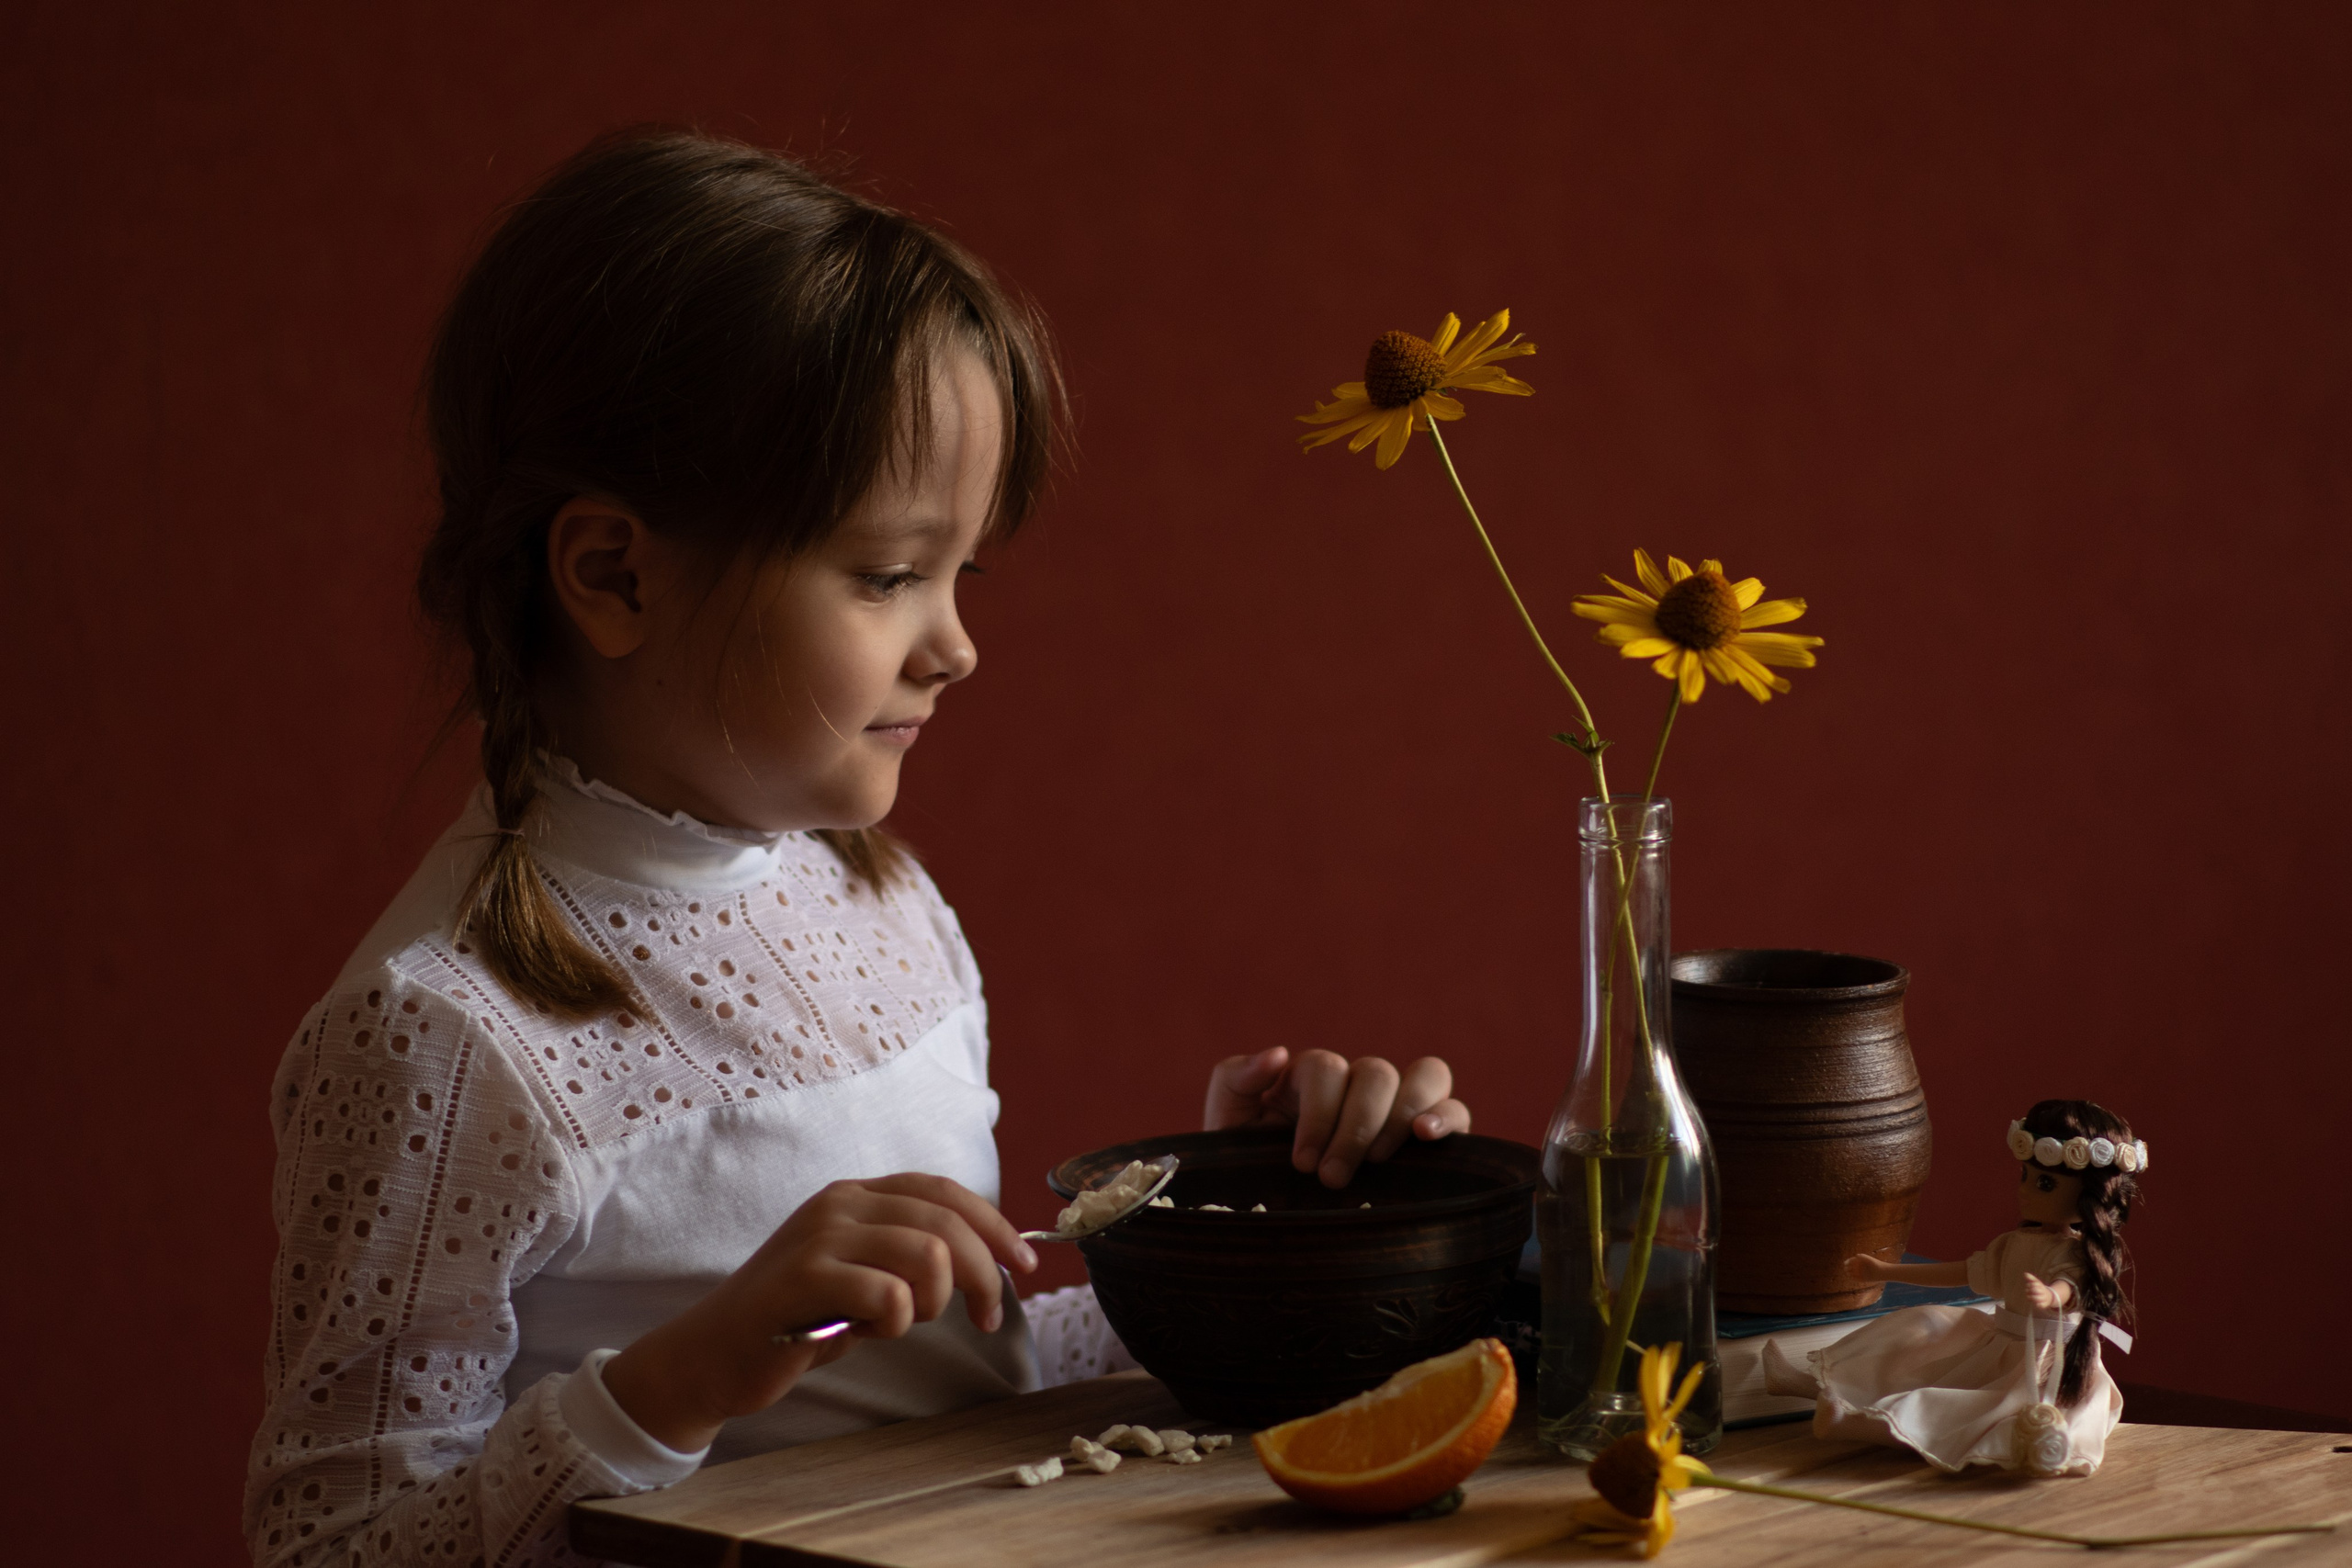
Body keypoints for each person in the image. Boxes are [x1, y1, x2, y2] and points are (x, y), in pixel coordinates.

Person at [244, 129, 1474, 1568]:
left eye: (963, 572)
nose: (956, 644)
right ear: (614, 573)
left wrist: (1236, 1226)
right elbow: (328, 1540)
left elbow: (962, 1385)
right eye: (890, 574)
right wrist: (681, 1375)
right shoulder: (446, 1034)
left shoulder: (878, 902)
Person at [1762, 1099, 2145, 1477]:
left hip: (2045, 1363)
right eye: (2025, 1176)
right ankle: (1809, 1383)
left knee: (1965, 1411)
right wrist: (1887, 1270)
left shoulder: (2077, 1254)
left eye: (2045, 1183)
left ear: (2090, 1198)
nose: (2025, 1190)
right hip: (1999, 1343)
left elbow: (2070, 1285)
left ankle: (1849, 1421)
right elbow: (1962, 1272)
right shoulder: (2013, 1244)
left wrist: (2053, 1297)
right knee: (1918, 1330)